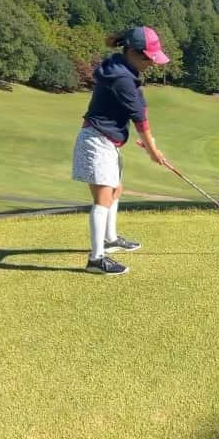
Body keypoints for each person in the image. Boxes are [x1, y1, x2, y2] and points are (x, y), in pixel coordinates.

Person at [72, 26, 170, 275]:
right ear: (133, 52)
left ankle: (110, 238)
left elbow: (141, 108)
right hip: (96, 140)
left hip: (108, 141)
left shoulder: (124, 68)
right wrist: (152, 151)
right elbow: (140, 121)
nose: (152, 62)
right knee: (103, 197)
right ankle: (96, 259)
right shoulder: (122, 78)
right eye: (148, 57)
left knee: (116, 189)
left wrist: (152, 145)